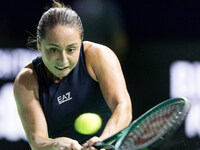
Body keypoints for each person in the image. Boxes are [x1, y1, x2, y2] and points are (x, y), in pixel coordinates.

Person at [13, 0, 132, 150]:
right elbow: (37, 141)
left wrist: (103, 141)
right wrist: (56, 144)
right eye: (53, 50)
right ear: (39, 44)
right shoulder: (27, 81)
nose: (63, 60)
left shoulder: (99, 56)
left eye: (71, 49)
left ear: (80, 42)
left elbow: (122, 107)